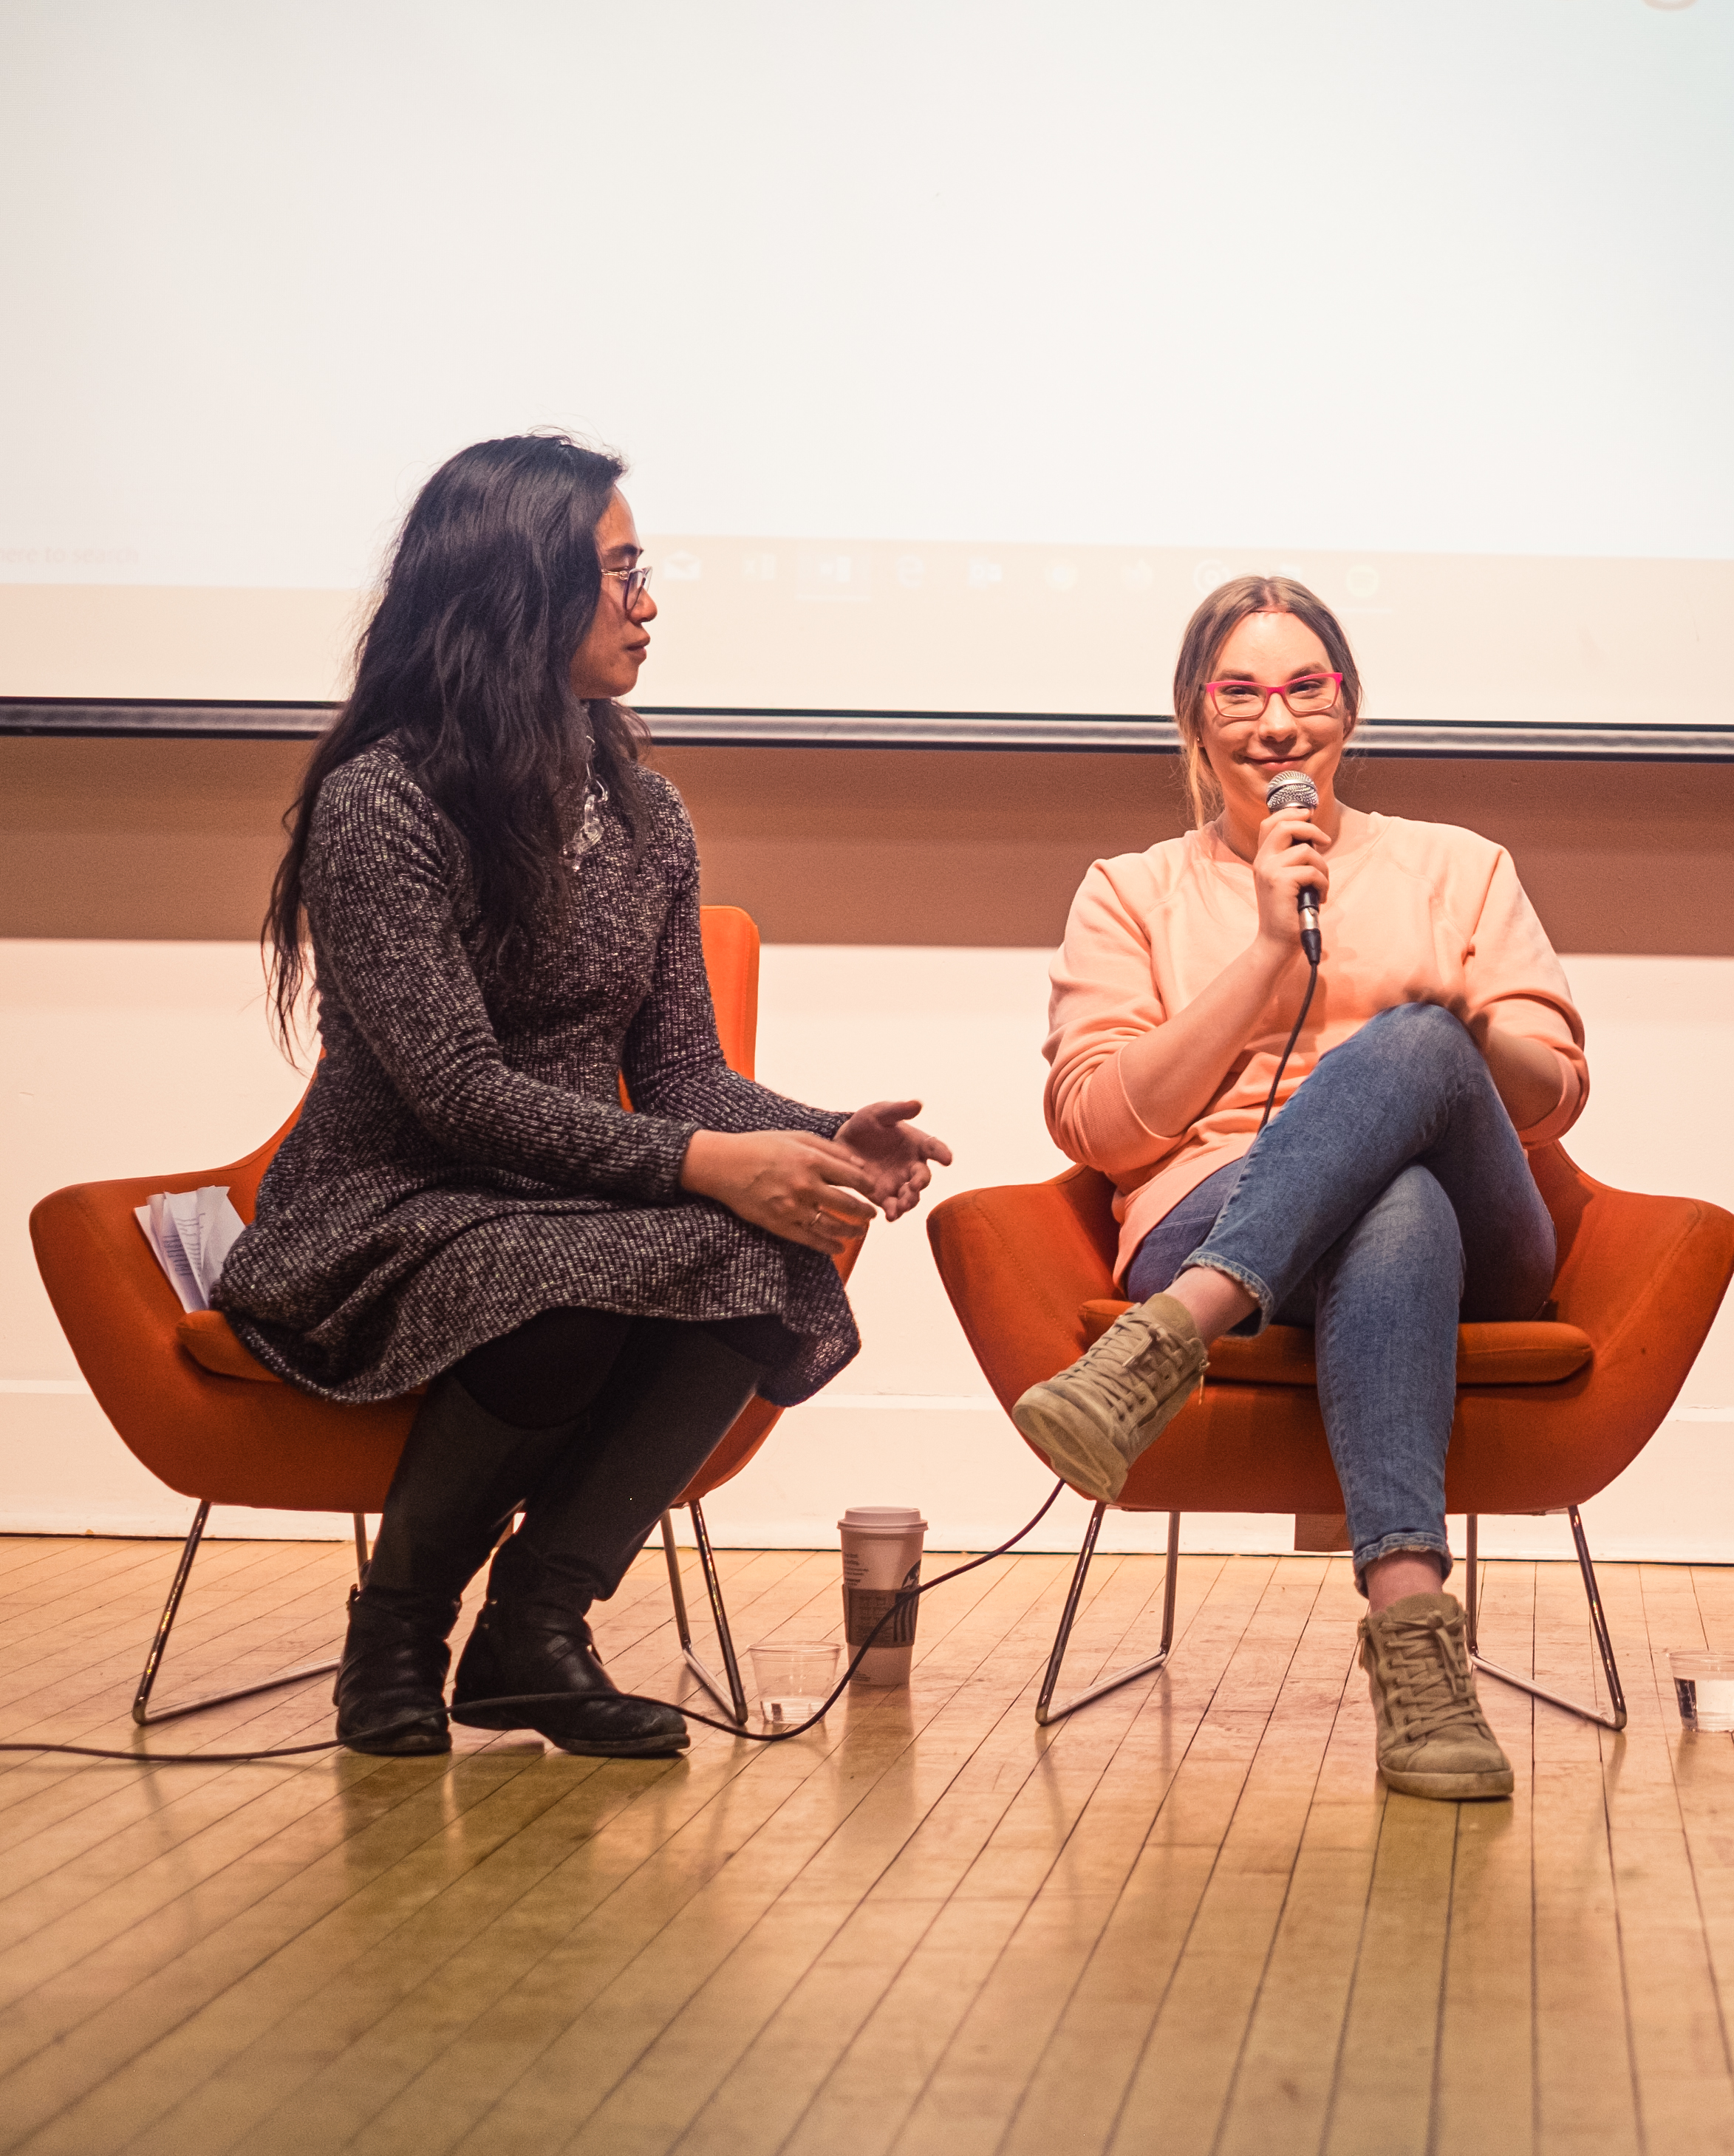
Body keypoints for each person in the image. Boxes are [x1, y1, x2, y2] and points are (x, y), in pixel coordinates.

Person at [219, 434, 951, 1761]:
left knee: (761, 1246)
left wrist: (820, 1136)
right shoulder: (383, 804)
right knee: (554, 1280)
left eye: (641, 572)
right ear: (517, 592)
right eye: (619, 574)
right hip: (391, 1205)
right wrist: (701, 1164)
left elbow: (682, 1076)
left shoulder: (647, 814)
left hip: (559, 1189)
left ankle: (533, 1633)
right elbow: (452, 1092)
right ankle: (393, 1635)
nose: (648, 603)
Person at [1017, 577, 1587, 1802]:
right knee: (1397, 1207)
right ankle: (1417, 1647)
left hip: (1484, 1232)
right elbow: (1105, 1129)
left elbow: (1549, 1101)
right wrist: (1271, 949)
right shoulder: (1130, 891)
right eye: (1240, 693)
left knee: (1425, 1044)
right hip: (1214, 1204)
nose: (1276, 723)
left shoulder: (1459, 867)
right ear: (1193, 716)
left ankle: (1162, 1351)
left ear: (1349, 706)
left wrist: (1462, 1028)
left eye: (1304, 689)